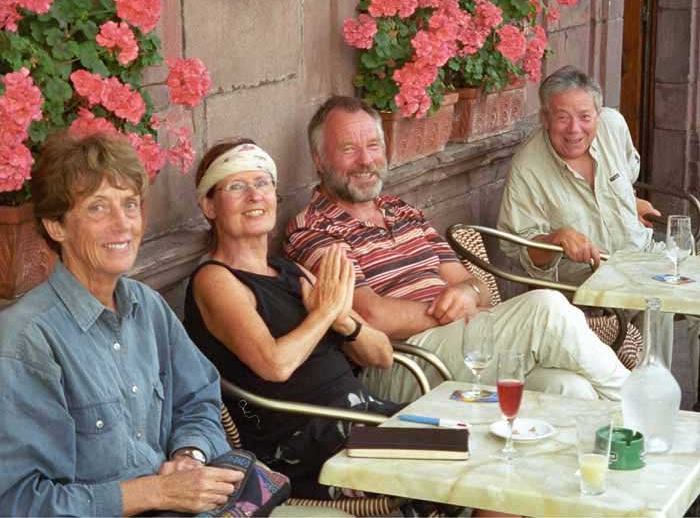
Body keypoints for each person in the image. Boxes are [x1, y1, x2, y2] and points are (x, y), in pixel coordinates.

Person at [284, 95, 631, 405]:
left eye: (373, 146)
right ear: (319, 159)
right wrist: (450, 310)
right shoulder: (313, 228)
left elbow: (473, 286)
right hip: (399, 363)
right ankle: (641, 411)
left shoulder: (401, 210)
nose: (365, 160)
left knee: (568, 389)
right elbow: (372, 317)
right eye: (348, 149)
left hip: (458, 344)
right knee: (546, 308)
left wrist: (466, 293)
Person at [0, 133, 243, 516]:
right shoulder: (26, 342)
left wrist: (189, 456)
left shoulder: (147, 306)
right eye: (98, 208)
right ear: (55, 226)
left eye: (129, 205)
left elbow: (197, 399)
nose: (123, 225)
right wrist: (156, 493)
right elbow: (19, 502)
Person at [183, 138, 400, 500]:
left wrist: (344, 321)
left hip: (362, 418)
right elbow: (274, 365)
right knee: (464, 460)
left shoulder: (289, 270)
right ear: (209, 205)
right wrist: (325, 313)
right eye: (236, 186)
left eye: (263, 183)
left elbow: (383, 356)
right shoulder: (215, 280)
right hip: (303, 446)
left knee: (479, 440)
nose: (255, 195)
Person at [497, 65, 662, 285]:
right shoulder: (527, 167)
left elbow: (627, 173)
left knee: (680, 277)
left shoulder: (613, 125)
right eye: (563, 118)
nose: (574, 129)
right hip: (589, 277)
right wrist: (556, 239)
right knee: (654, 298)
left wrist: (630, 201)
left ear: (598, 114)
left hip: (640, 254)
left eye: (585, 116)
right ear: (544, 119)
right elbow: (518, 249)